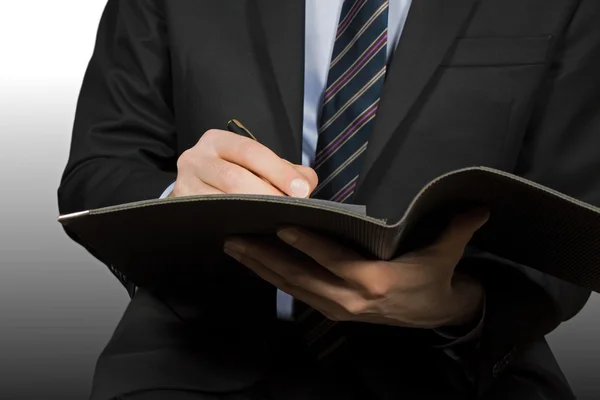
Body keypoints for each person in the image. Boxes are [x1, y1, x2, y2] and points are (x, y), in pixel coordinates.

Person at [58, 0, 600, 399]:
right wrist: (177, 201)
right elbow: (98, 169)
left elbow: (577, 227)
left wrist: (457, 305)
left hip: (459, 370)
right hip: (191, 360)